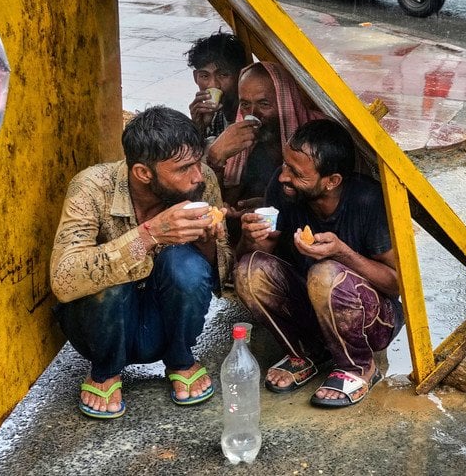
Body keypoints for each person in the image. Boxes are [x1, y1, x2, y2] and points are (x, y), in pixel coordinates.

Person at [49, 106, 232, 419]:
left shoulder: (202, 182)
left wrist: (207, 242)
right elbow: (64, 280)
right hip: (102, 325)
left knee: (184, 266)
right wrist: (149, 235)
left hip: (165, 323)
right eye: (184, 168)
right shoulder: (92, 187)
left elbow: (220, 277)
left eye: (198, 162)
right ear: (144, 173)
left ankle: (180, 358)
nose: (197, 175)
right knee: (109, 276)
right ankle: (105, 371)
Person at [234, 119, 402, 409]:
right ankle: (304, 353)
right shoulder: (282, 188)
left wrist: (341, 253)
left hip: (373, 319)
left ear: (332, 181)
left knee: (325, 273)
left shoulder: (368, 200)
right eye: (286, 165)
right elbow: (265, 255)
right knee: (249, 270)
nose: (284, 176)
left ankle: (358, 366)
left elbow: (396, 283)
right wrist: (253, 238)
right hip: (313, 309)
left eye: (296, 173)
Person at [217, 61, 324, 216]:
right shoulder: (243, 141)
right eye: (245, 104)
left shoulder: (319, 135)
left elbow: (329, 202)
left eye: (264, 104)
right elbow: (229, 197)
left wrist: (274, 207)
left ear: (284, 102)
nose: (253, 114)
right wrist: (216, 158)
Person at [186, 30, 248, 141]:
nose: (214, 85)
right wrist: (198, 127)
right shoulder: (210, 115)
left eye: (223, 75)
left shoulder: (250, 114)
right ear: (195, 77)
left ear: (240, 75)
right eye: (204, 76)